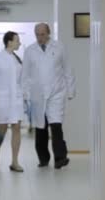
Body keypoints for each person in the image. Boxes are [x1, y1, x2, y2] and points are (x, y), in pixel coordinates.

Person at [22, 23, 76, 169]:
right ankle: (43, 159)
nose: (40, 37)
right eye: (37, 34)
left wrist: (70, 91)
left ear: (48, 33)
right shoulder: (29, 51)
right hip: (37, 95)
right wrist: (25, 94)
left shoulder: (59, 47)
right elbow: (25, 74)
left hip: (56, 93)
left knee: (56, 125)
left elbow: (68, 69)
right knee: (41, 127)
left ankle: (60, 158)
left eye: (42, 34)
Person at [0, 31, 24, 172]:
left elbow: (20, 80)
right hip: (2, 99)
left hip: (17, 99)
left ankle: (15, 161)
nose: (19, 43)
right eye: (17, 40)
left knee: (17, 128)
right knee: (1, 130)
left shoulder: (17, 59)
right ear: (9, 42)